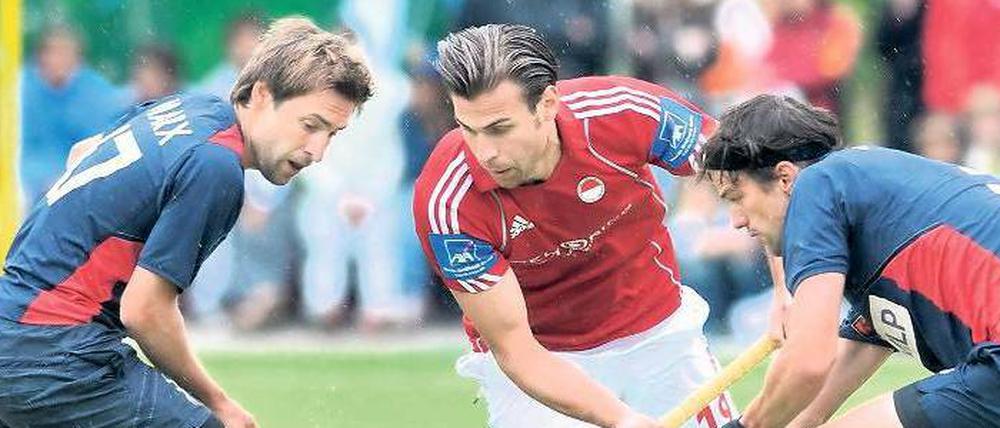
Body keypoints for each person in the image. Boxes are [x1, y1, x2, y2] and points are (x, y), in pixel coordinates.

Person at [0, 16, 373, 427]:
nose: (317, 151)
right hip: (55, 354)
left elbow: (84, 152)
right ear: (263, 95)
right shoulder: (216, 167)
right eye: (310, 126)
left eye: (332, 134)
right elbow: (144, 311)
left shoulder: (192, 107)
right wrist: (221, 403)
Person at [413, 24, 737, 428]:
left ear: (548, 103)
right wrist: (621, 419)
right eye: (468, 129)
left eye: (500, 129)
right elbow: (516, 350)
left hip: (660, 335)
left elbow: (744, 173)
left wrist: (784, 289)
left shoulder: (624, 109)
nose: (485, 153)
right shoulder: (447, 199)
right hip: (542, 364)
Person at [700, 95, 1000, 428]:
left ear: (785, 178)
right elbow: (818, 395)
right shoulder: (872, 194)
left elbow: (808, 363)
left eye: (737, 198)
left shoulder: (816, 185)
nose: (737, 220)